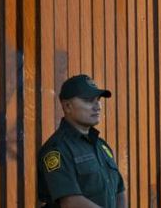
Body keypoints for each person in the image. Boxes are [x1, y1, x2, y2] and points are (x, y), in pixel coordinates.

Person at [37, 75, 127, 208]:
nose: (98, 106)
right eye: (89, 100)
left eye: (98, 100)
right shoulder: (56, 149)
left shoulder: (101, 146)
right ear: (67, 106)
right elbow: (71, 202)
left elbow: (119, 190)